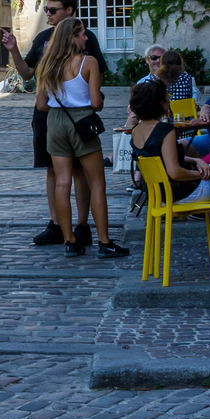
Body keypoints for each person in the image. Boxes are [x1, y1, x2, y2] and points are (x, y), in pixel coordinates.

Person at [1, 0, 106, 247]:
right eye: (46, 9)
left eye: (52, 10)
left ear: (68, 11)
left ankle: (79, 227)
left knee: (75, 174)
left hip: (59, 115)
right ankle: (58, 224)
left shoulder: (86, 37)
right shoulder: (42, 39)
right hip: (56, 116)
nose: (47, 13)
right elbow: (27, 74)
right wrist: (13, 50)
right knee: (55, 171)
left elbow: (94, 76)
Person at [38, 18, 128, 259]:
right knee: (97, 182)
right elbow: (96, 103)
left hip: (56, 122)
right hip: (82, 121)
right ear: (72, 37)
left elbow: (40, 104)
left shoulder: (47, 64)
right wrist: (91, 99)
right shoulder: (88, 62)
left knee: (61, 183)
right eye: (82, 34)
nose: (86, 38)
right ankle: (104, 241)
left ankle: (69, 241)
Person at [124, 80, 210, 210]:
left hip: (155, 194)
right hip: (175, 193)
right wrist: (202, 173)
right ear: (161, 104)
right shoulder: (165, 130)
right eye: (167, 98)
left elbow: (159, 158)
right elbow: (175, 173)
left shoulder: (136, 130)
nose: (169, 101)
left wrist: (195, 160)